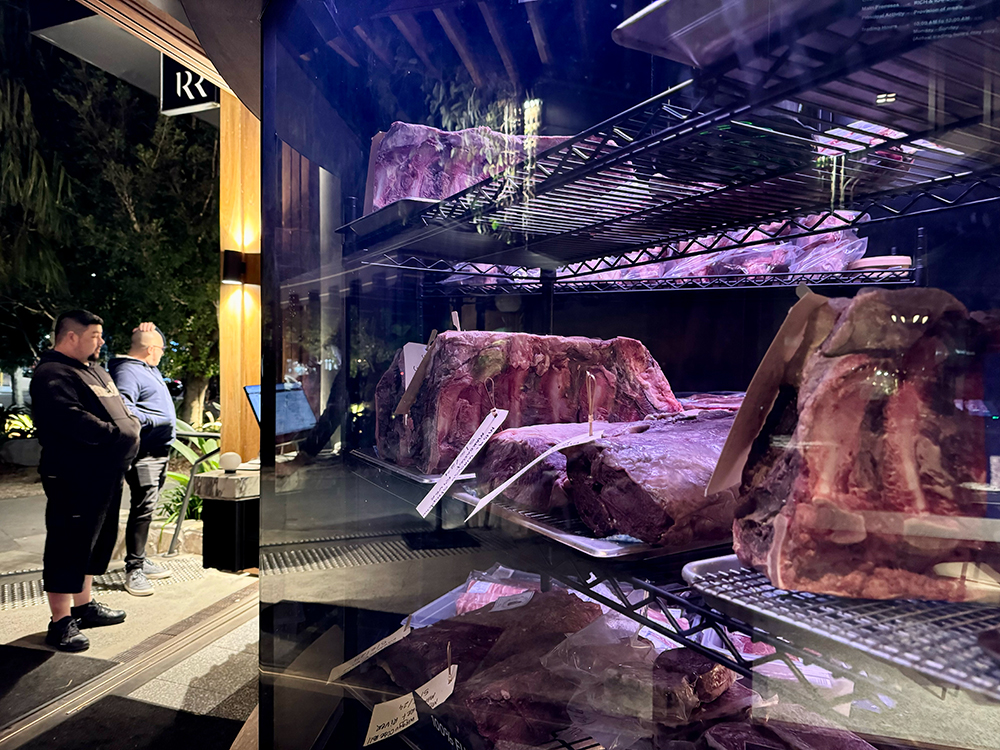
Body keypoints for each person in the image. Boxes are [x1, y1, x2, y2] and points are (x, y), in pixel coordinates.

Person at [30, 310, 141, 652]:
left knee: (97, 538)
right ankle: (60, 621)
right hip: (72, 473)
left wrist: (131, 426)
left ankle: (84, 605)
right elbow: (71, 419)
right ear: (71, 337)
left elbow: (119, 407)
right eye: (94, 336)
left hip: (105, 472)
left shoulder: (95, 370)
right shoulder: (51, 373)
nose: (101, 341)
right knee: (68, 541)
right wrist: (116, 435)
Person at [109, 323, 176, 596]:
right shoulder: (127, 371)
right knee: (143, 507)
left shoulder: (148, 368)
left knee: (147, 505)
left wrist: (154, 328)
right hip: (144, 453)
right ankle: (133, 569)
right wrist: (160, 420)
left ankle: (139, 560)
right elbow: (125, 411)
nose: (162, 354)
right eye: (160, 348)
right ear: (150, 350)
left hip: (158, 450)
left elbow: (150, 339)